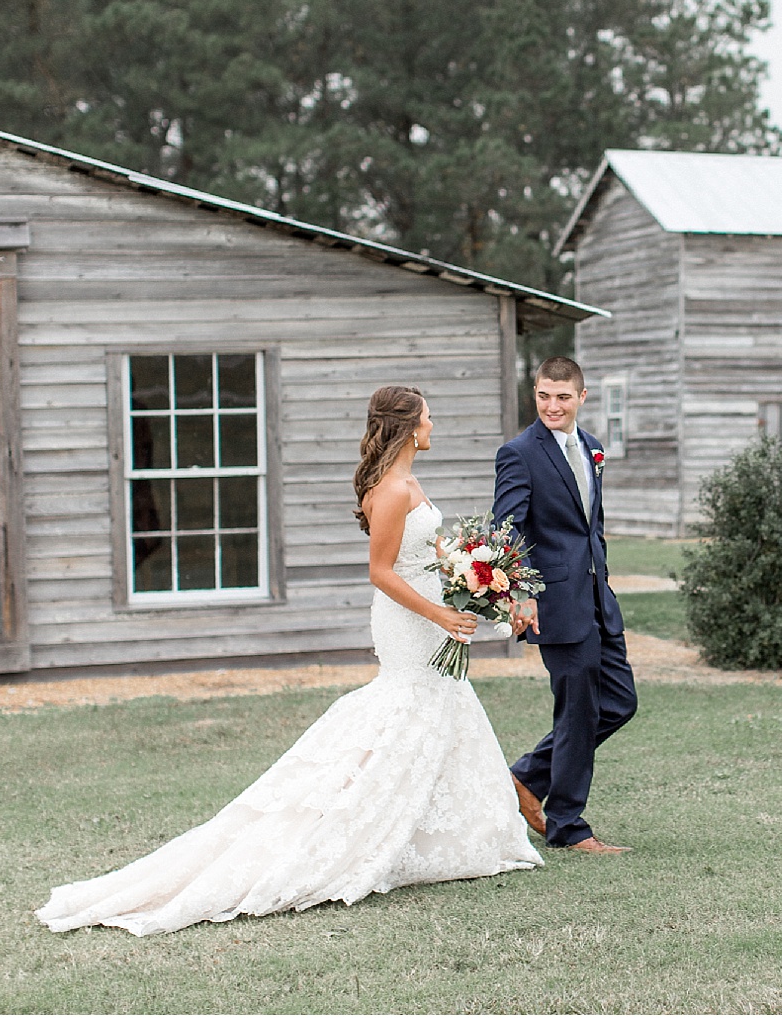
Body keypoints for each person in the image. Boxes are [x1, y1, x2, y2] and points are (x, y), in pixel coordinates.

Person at [36, 386, 541, 935]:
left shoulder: (410, 483)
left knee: (441, 704)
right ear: (407, 428)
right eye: (427, 417)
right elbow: (380, 571)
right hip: (409, 620)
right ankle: (350, 830)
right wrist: (440, 614)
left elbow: (427, 553)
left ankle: (456, 838)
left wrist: (479, 578)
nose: (433, 424)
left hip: (429, 612)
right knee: (408, 706)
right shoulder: (392, 490)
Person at [493, 357, 638, 853]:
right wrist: (522, 592)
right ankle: (568, 826)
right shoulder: (518, 453)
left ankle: (527, 777)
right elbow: (506, 528)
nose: (551, 406)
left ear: (581, 397)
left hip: (597, 599)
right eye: (543, 396)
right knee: (577, 711)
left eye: (562, 397)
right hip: (553, 601)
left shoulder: (593, 447)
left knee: (619, 702)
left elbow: (591, 524)